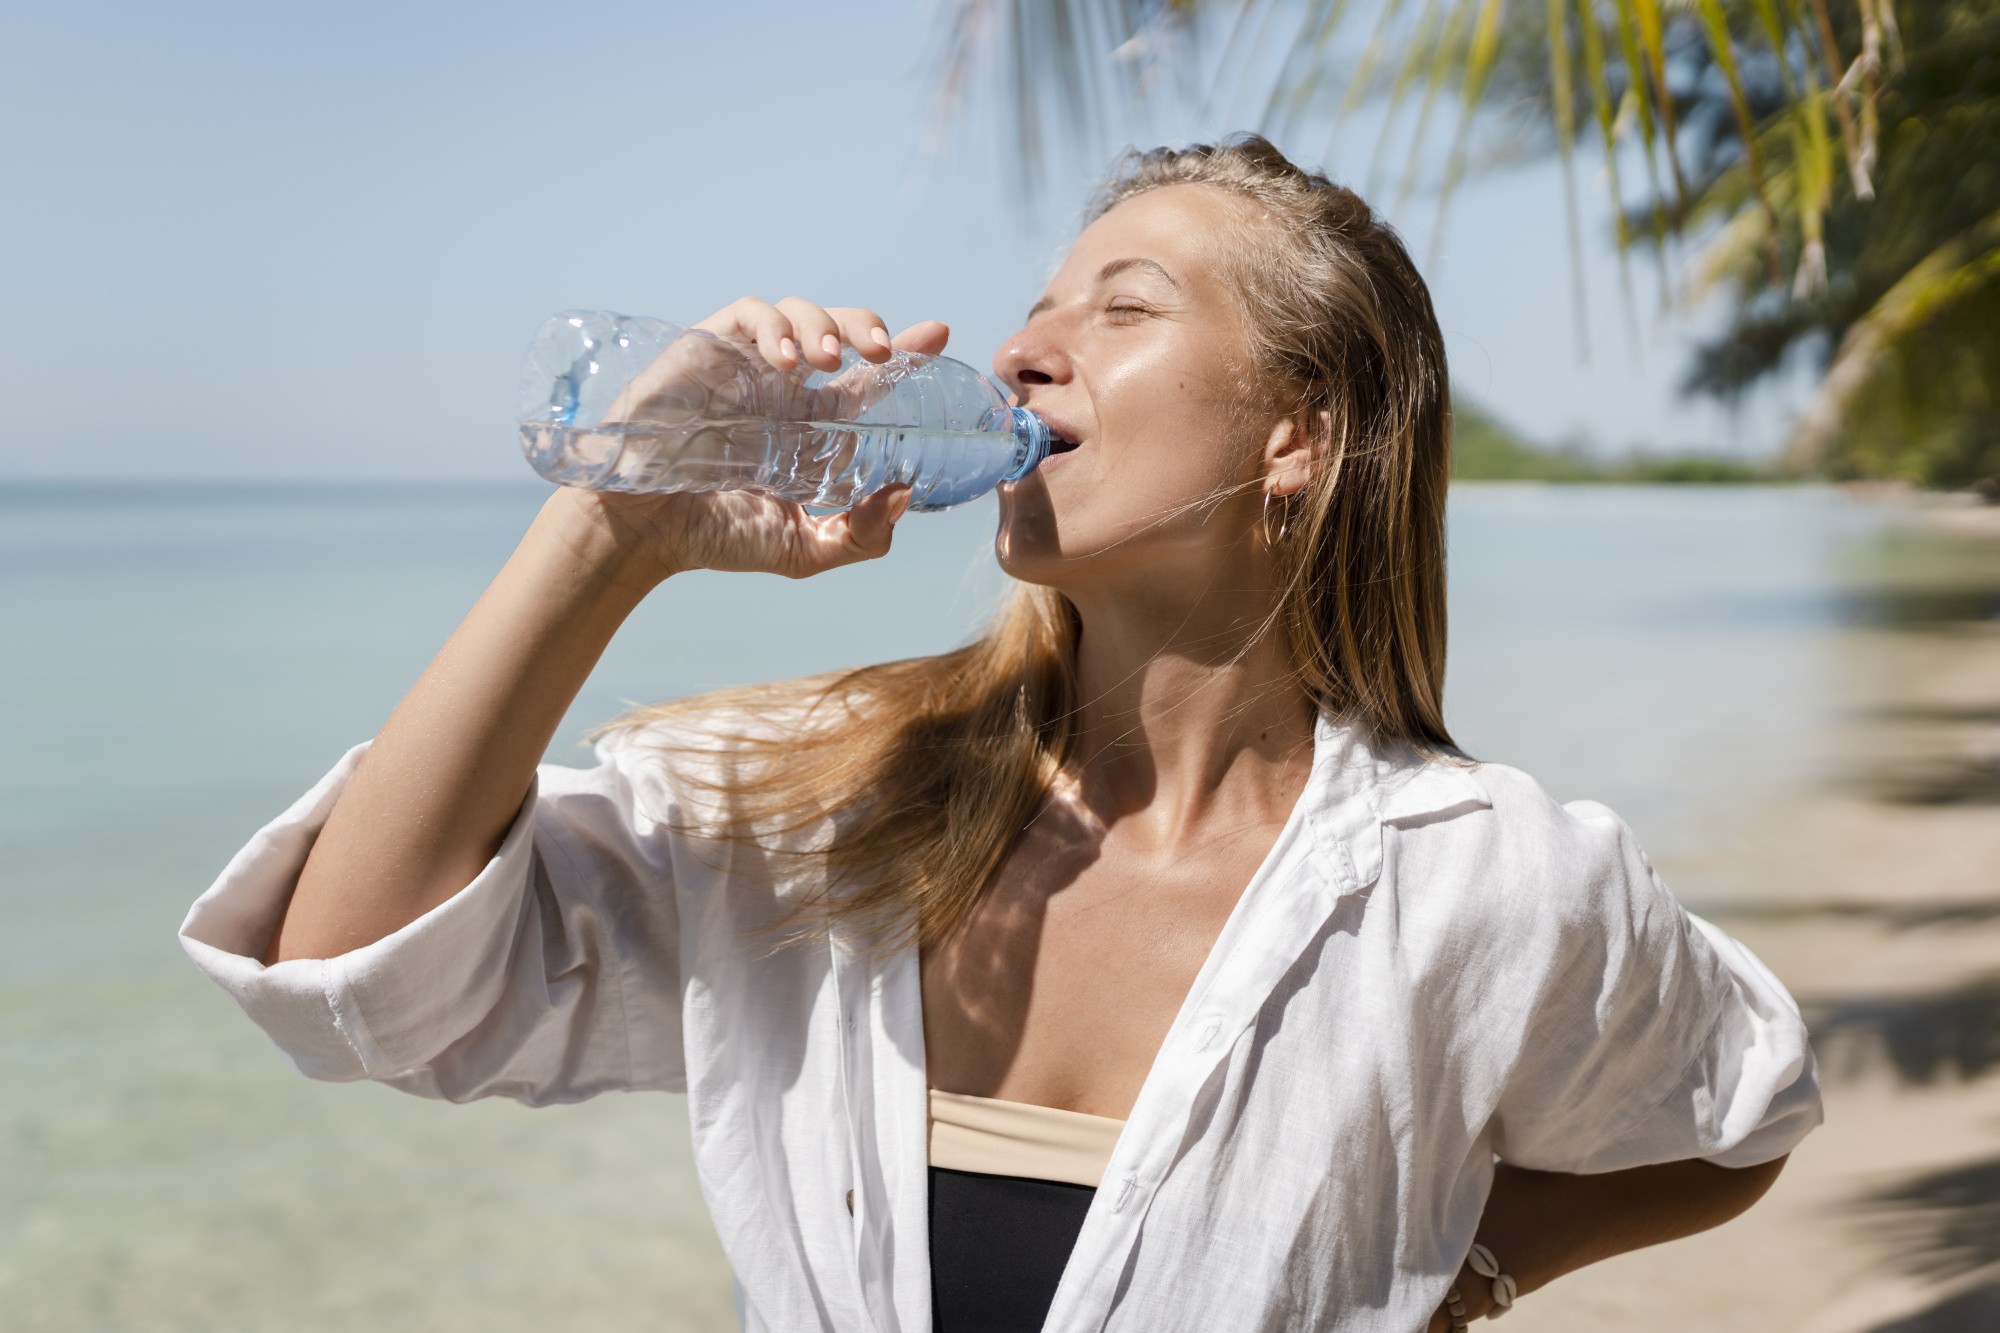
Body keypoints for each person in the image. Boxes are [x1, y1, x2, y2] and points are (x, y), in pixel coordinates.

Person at [180, 135, 1821, 1332]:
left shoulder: (1485, 883)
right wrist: (614, 531)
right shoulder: (831, 805)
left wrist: (1470, 1268)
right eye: (1039, 303)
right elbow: (359, 986)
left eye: (1124, 307)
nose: (1024, 347)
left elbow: (1739, 1113)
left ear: (1297, 436)